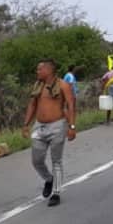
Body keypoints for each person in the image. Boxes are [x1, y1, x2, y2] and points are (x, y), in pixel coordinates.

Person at [23, 59, 77, 207]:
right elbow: (32, 105)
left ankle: (56, 192)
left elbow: (71, 105)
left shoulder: (63, 85)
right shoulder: (38, 86)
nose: (37, 72)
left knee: (56, 161)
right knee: (36, 160)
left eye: (39, 69)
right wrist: (26, 124)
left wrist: (72, 126)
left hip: (57, 125)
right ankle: (49, 179)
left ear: (48, 70)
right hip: (39, 126)